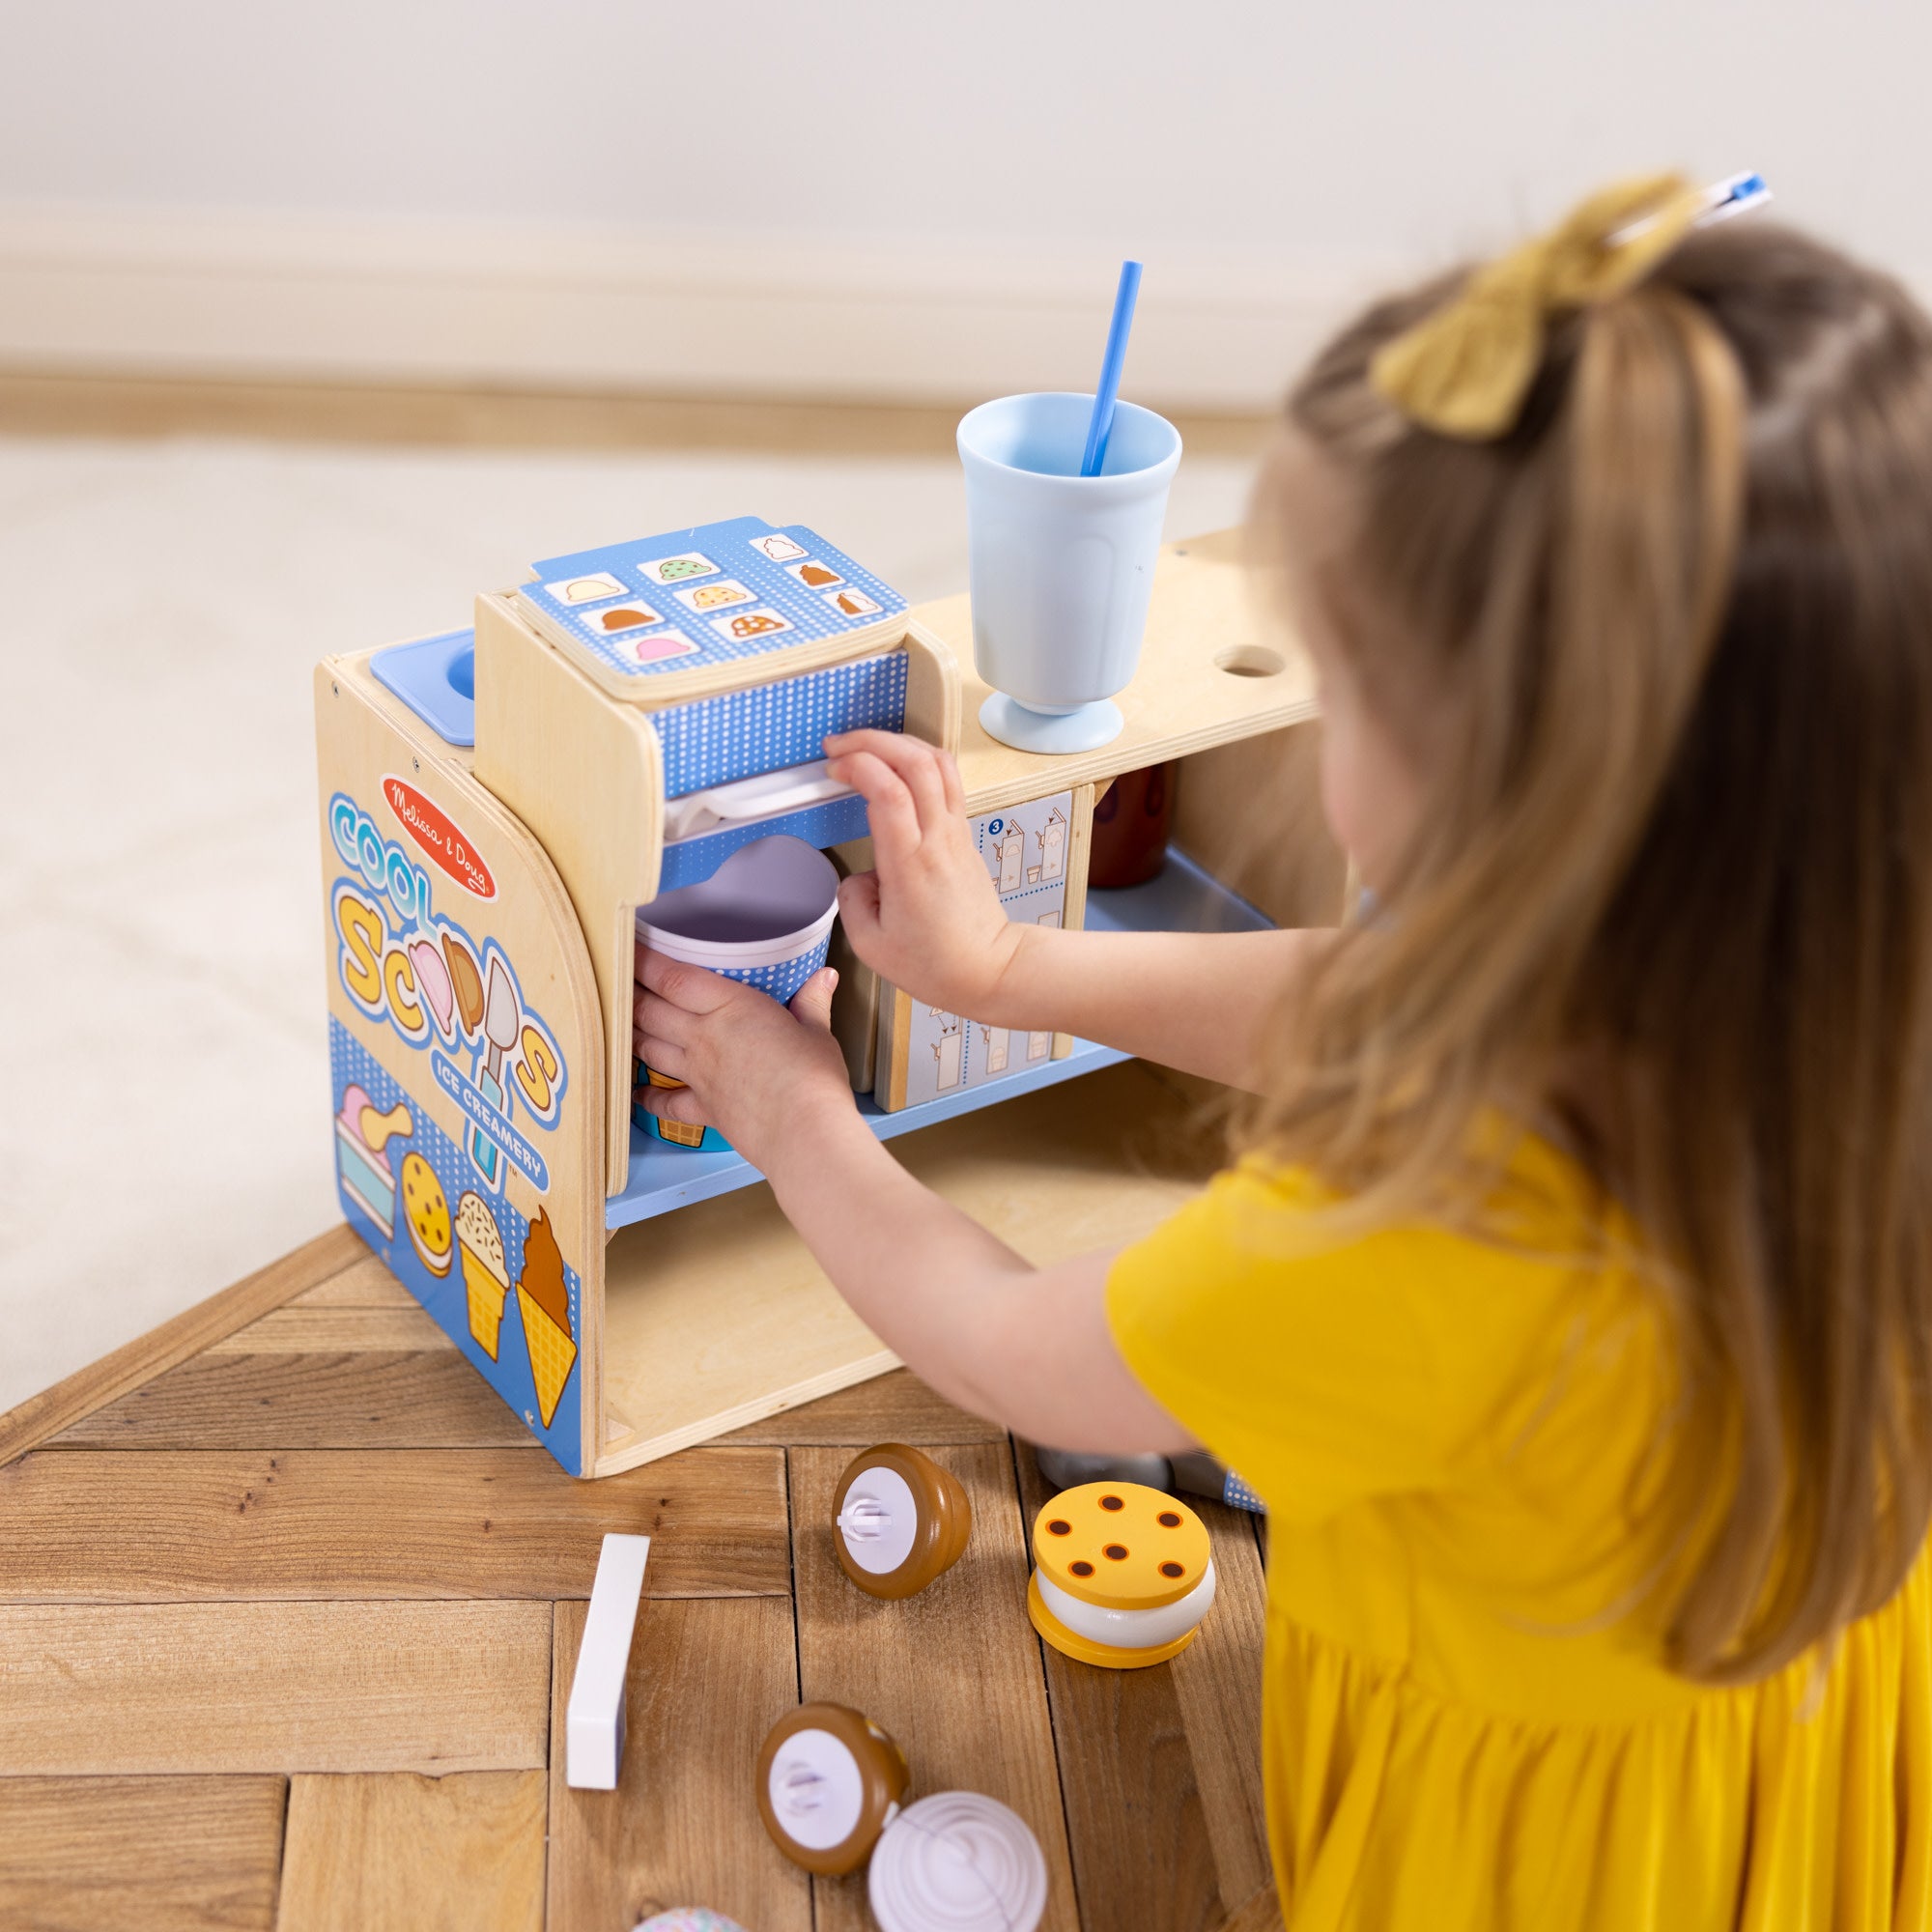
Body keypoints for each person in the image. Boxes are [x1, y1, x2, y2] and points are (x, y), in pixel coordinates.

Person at [633, 175, 1932, 1928]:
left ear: (1504, 797)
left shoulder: (1404, 1233)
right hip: (1793, 1703)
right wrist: (1013, 968)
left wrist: (798, 1120)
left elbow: (1016, 1351)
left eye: (1347, 676)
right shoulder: (1823, 970)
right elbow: (1384, 994)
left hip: (1554, 1850)